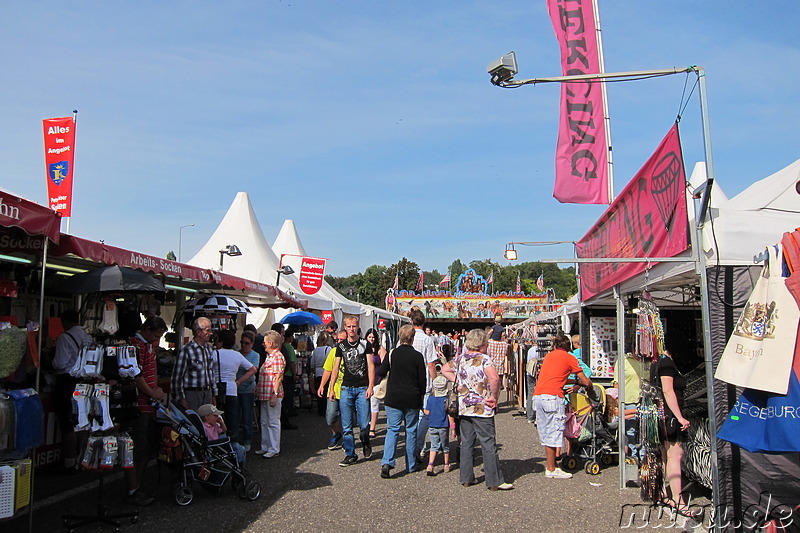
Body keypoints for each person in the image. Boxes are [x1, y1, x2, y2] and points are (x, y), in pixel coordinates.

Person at [441, 328, 513, 491]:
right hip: (482, 407)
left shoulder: (461, 358)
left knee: (467, 442)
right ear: (482, 344)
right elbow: (494, 378)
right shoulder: (484, 359)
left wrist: (458, 382)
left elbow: (445, 369)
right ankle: (494, 480)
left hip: (464, 406)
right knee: (488, 442)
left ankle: (466, 477)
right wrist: (494, 397)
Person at [533, 334, 592, 479]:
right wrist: (582, 384)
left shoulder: (549, 356)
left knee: (546, 431)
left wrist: (570, 380)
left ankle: (551, 465)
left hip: (539, 396)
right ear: (569, 347)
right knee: (555, 431)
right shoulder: (569, 357)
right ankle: (551, 468)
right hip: (553, 397)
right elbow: (586, 380)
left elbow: (555, 378)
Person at [125, 316, 167, 506]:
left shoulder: (148, 345)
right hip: (140, 405)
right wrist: (152, 391)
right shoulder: (136, 346)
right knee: (137, 448)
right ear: (148, 330)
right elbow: (136, 375)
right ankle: (133, 489)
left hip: (149, 404)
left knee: (147, 448)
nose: (157, 340)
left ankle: (137, 485)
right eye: (156, 335)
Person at [376, 324, 426, 478]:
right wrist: (421, 398)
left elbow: (381, 371)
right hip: (411, 398)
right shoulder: (417, 356)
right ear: (412, 338)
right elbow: (422, 381)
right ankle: (411, 465)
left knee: (393, 429)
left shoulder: (392, 354)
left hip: (393, 397)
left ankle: (387, 462)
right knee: (411, 430)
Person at [653, 334, 692, 515]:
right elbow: (668, 391)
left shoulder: (656, 363)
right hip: (669, 415)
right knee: (675, 454)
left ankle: (661, 493)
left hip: (660, 414)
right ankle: (678, 499)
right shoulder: (667, 363)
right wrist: (680, 417)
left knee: (663, 455)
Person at [329, 315, 375, 467]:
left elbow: (370, 366)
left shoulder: (365, 344)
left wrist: (370, 386)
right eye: (348, 327)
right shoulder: (340, 347)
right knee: (347, 425)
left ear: (358, 327)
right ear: (345, 328)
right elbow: (335, 368)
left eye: (354, 326)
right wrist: (331, 388)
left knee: (363, 425)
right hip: (346, 388)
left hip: (362, 388)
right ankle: (350, 453)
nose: (351, 329)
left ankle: (365, 440)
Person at [52, 309, 91, 473]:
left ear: (65, 322)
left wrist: (51, 361)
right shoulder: (87, 337)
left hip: (68, 382)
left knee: (68, 423)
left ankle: (69, 461)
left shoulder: (65, 337)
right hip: (84, 382)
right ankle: (83, 459)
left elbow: (60, 364)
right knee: (81, 421)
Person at [213, 329, 257, 445]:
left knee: (218, 419)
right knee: (233, 420)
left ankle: (220, 444)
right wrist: (238, 381)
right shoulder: (237, 355)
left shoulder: (214, 354)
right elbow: (253, 369)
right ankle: (234, 447)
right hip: (232, 390)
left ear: (221, 342)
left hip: (218, 390)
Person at [409, 309, 438, 462]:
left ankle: (412, 446)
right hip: (425, 382)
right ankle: (419, 446)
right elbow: (431, 364)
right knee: (424, 415)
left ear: (411, 321)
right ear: (424, 322)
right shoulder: (428, 340)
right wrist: (435, 382)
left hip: (408, 381)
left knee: (410, 416)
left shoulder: (406, 337)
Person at [171, 317, 217, 412]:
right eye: (207, 330)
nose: (211, 333)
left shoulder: (208, 349)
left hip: (207, 393)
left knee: (207, 424)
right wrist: (181, 398)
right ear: (198, 332)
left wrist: (213, 395)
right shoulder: (186, 350)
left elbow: (211, 373)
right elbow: (177, 377)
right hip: (192, 394)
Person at [255, 330, 285, 458]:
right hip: (264, 393)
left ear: (271, 343)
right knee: (264, 421)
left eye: (265, 342)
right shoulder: (270, 356)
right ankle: (265, 446)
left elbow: (278, 377)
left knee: (272, 421)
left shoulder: (277, 356)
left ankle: (273, 448)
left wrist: (274, 393)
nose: (263, 344)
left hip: (272, 393)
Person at [613, 351, 646, 463]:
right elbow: (616, 382)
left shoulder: (648, 361)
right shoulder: (623, 361)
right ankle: (633, 457)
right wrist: (617, 400)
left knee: (645, 430)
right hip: (628, 399)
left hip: (645, 400)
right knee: (630, 431)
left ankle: (644, 457)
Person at [318, 329, 347, 450]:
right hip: (333, 389)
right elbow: (328, 370)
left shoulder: (352, 352)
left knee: (347, 419)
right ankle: (336, 433)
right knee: (330, 417)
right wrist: (322, 385)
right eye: (338, 340)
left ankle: (347, 440)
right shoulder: (333, 352)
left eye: (342, 340)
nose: (339, 342)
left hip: (347, 390)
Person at [271, 323, 298, 430]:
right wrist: (294, 373)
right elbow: (290, 362)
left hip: (284, 377)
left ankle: (285, 418)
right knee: (285, 400)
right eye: (282, 333)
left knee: (285, 399)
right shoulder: (279, 351)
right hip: (282, 378)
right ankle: (284, 420)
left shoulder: (283, 347)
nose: (284, 336)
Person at [236, 331, 260, 451]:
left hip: (247, 389)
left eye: (246, 343)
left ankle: (247, 440)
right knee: (235, 416)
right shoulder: (236, 353)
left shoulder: (255, 355)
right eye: (242, 342)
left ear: (252, 344)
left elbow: (253, 371)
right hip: (235, 390)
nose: (244, 345)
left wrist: (239, 381)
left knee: (247, 416)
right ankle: (235, 440)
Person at [424, 375, 451, 476]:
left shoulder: (430, 399)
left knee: (433, 446)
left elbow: (427, 412)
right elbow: (449, 414)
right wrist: (453, 427)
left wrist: (422, 409)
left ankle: (430, 464)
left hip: (432, 425)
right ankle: (446, 464)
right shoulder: (446, 399)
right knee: (445, 446)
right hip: (443, 425)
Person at [365, 328, 387, 438]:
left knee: (374, 403)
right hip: (365, 379)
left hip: (377, 379)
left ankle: (372, 428)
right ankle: (365, 425)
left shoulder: (380, 349)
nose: (371, 339)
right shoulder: (363, 348)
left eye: (373, 337)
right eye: (369, 337)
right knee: (365, 403)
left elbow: (385, 364)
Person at [311, 331, 334, 417]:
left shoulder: (316, 350)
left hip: (317, 372)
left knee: (319, 391)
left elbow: (312, 363)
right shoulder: (328, 349)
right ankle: (325, 409)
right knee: (325, 391)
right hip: (325, 371)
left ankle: (320, 409)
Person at [487, 325, 511, 393]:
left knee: (490, 387)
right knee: (497, 389)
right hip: (500, 367)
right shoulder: (505, 345)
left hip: (490, 367)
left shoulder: (489, 343)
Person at [525, 343, 539, 424]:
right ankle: (537, 415)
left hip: (530, 373)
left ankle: (530, 416)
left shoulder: (530, 350)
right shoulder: (540, 351)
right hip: (538, 373)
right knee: (538, 393)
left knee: (530, 393)